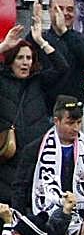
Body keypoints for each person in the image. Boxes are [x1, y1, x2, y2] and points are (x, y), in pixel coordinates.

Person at [15, 96, 84, 233]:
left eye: (79, 122)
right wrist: (22, 219)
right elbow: (20, 187)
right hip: (43, 223)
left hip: (82, 223)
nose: (76, 128)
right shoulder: (34, 149)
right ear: (56, 121)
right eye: (70, 123)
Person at [0, 12, 69, 207]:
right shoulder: (2, 80)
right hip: (6, 155)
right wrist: (4, 46)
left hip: (33, 156)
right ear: (11, 60)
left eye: (29, 58)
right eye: (20, 58)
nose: (25, 62)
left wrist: (41, 41)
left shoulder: (38, 82)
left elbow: (62, 68)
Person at [42, 0, 84, 103]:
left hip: (72, 109)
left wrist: (65, 32)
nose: (65, 13)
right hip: (43, 108)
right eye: (59, 9)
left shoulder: (83, 39)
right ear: (50, 10)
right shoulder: (40, 39)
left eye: (70, 9)